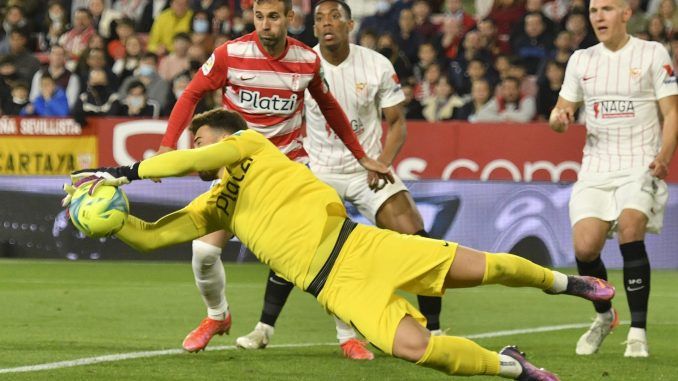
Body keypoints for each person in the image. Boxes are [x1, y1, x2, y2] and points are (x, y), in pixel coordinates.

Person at [65, 107, 616, 381]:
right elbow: (153, 235)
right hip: (337, 286)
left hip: (362, 245)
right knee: (415, 350)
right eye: (198, 145)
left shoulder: (252, 145)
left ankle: (572, 284)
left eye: (203, 139)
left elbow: (188, 160)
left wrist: (123, 171)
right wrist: (109, 221)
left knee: (486, 268)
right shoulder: (217, 206)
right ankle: (515, 368)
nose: (199, 151)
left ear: (226, 136)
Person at [155, 0, 391, 357]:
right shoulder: (230, 54)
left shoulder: (306, 61)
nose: (266, 24)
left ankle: (348, 336)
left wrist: (362, 156)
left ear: (290, 19)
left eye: (274, 17)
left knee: (325, 252)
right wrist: (167, 144)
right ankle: (217, 316)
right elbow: (191, 94)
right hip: (239, 172)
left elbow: (330, 109)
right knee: (203, 251)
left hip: (287, 173)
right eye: (260, 17)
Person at [235, 0, 442, 360]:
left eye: (335, 17)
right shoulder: (299, 64)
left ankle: (435, 328)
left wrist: (382, 163)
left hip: (366, 171)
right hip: (318, 171)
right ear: (313, 28)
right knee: (292, 246)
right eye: (319, 18)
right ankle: (264, 328)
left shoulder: (376, 64)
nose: (327, 23)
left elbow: (397, 123)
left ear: (350, 26)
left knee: (415, 234)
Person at [548, 0, 678, 358]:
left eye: (606, 9)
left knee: (630, 226)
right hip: (596, 166)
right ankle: (605, 317)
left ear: (625, 14)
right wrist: (559, 119)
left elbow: (671, 112)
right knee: (585, 248)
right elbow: (562, 111)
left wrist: (664, 156)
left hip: (640, 162)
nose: (598, 17)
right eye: (593, 11)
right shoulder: (582, 60)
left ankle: (638, 332)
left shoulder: (652, 53)